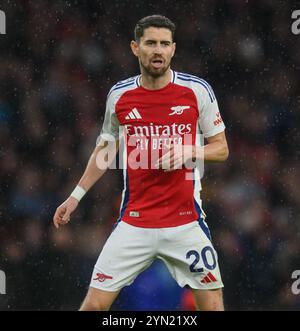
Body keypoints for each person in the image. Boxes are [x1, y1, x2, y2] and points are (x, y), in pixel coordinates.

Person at [53, 14, 229, 311]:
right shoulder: (120, 95)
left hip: (185, 222)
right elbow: (105, 152)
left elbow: (221, 149)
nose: (157, 50)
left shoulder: (197, 91)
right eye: (150, 43)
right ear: (136, 48)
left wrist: (190, 151)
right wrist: (75, 197)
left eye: (164, 44)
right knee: (94, 304)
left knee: (212, 305)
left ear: (173, 49)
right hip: (135, 222)